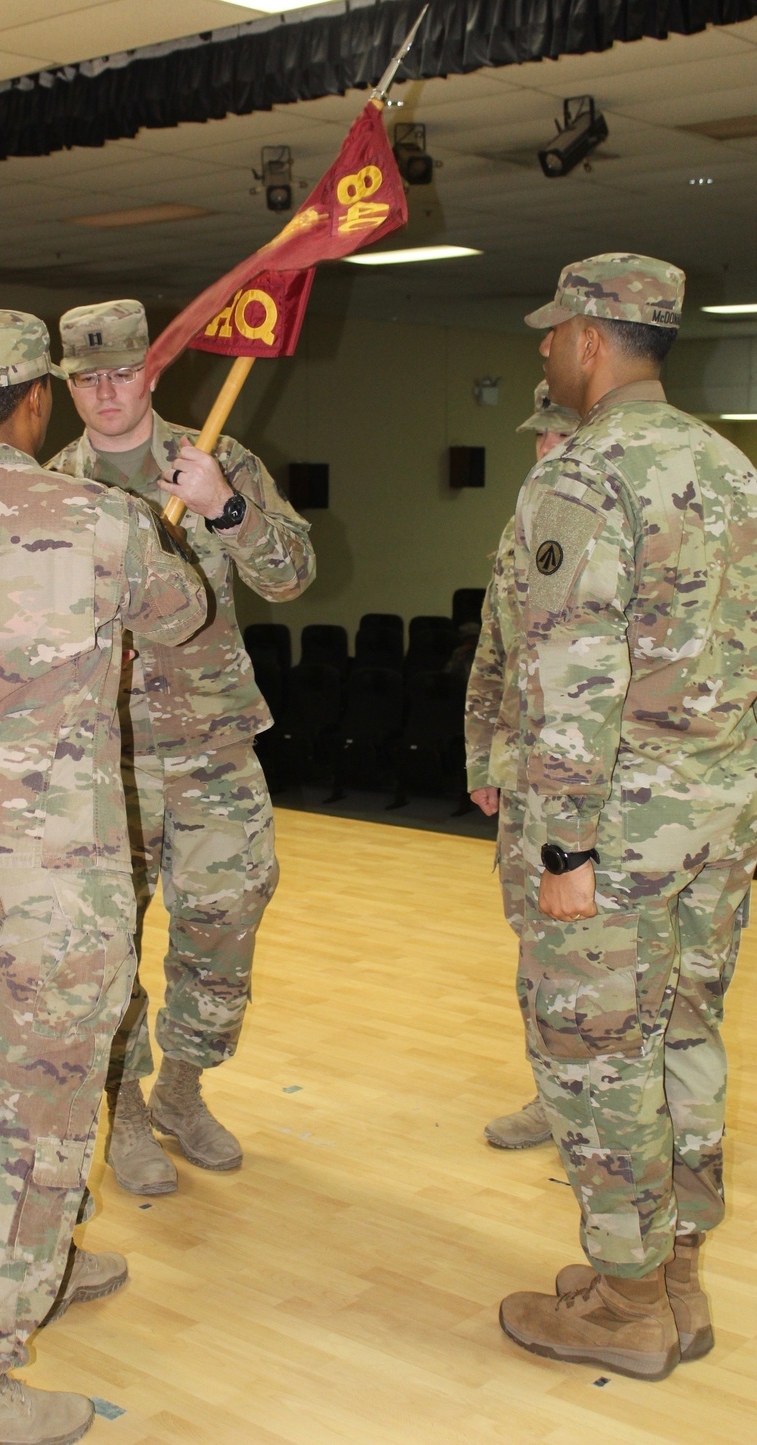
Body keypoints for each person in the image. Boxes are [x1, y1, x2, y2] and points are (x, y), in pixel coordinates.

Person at [0, 310, 207, 1445]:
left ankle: (44, 1262)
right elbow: (183, 618)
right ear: (37, 399)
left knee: (25, 1067)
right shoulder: (101, 519)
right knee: (44, 1110)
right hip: (57, 857)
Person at [496, 255, 757, 1381]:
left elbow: (573, 676)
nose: (545, 350)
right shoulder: (729, 464)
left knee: (597, 1055)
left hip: (619, 824)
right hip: (716, 814)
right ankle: (673, 1265)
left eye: (553, 333)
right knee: (684, 1034)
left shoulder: (586, 475)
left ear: (592, 339)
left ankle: (624, 1302)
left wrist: (565, 848)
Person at [46, 300, 315, 1196]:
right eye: (86, 378)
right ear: (66, 384)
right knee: (107, 940)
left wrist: (224, 507)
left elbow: (292, 575)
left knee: (225, 919)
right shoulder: (55, 485)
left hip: (211, 741)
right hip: (106, 753)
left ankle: (183, 1089)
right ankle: (123, 1111)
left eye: (122, 372)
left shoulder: (215, 457)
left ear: (152, 371)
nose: (106, 392)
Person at [469, 382, 580, 1150]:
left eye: (558, 438)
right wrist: (482, 755)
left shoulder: (620, 530)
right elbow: (493, 654)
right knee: (535, 946)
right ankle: (552, 1096)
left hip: (596, 785)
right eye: (538, 439)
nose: (543, 451)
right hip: (524, 776)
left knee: (598, 953)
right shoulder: (522, 531)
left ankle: (605, 1107)